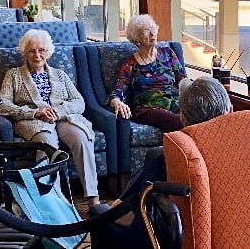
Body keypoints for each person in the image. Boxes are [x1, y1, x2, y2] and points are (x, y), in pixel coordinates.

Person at [91, 76, 232, 246]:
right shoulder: (247, 154)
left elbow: (128, 217)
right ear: (230, 110)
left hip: (162, 240)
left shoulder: (162, 159)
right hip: (230, 238)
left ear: (181, 118)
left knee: (99, 212)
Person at [0, 29, 99, 207]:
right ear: (24, 52)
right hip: (33, 122)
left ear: (48, 52)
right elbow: (2, 106)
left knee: (81, 138)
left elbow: (79, 101)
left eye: (41, 50)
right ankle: (53, 201)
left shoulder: (60, 74)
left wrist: (58, 111)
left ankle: (93, 198)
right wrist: (35, 112)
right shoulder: (13, 75)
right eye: (32, 51)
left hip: (62, 118)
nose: (37, 55)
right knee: (47, 143)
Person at [108, 14, 187, 132]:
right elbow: (119, 90)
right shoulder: (130, 64)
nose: (152, 33)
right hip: (149, 109)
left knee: (201, 117)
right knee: (182, 122)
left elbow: (184, 80)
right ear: (136, 38)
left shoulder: (167, 53)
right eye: (146, 31)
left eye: (153, 29)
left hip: (174, 103)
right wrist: (116, 101)